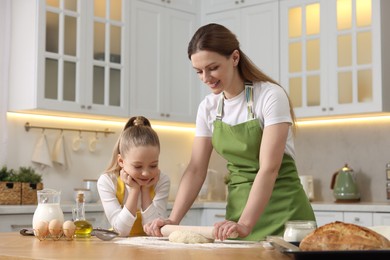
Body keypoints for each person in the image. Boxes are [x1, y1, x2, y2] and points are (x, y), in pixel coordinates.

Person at [144, 23, 315, 241]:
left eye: (212, 68)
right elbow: (196, 169)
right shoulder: (208, 107)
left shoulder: (270, 96)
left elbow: (269, 169)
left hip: (285, 215)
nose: (206, 78)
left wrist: (246, 223)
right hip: (237, 216)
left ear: (234, 58)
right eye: (198, 71)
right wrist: (173, 220)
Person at [97, 116, 170, 236]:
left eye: (153, 166)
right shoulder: (107, 181)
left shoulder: (162, 180)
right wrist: (135, 190)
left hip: (151, 248)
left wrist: (145, 190)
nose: (146, 173)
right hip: (118, 249)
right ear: (121, 161)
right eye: (137, 166)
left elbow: (154, 230)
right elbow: (121, 231)